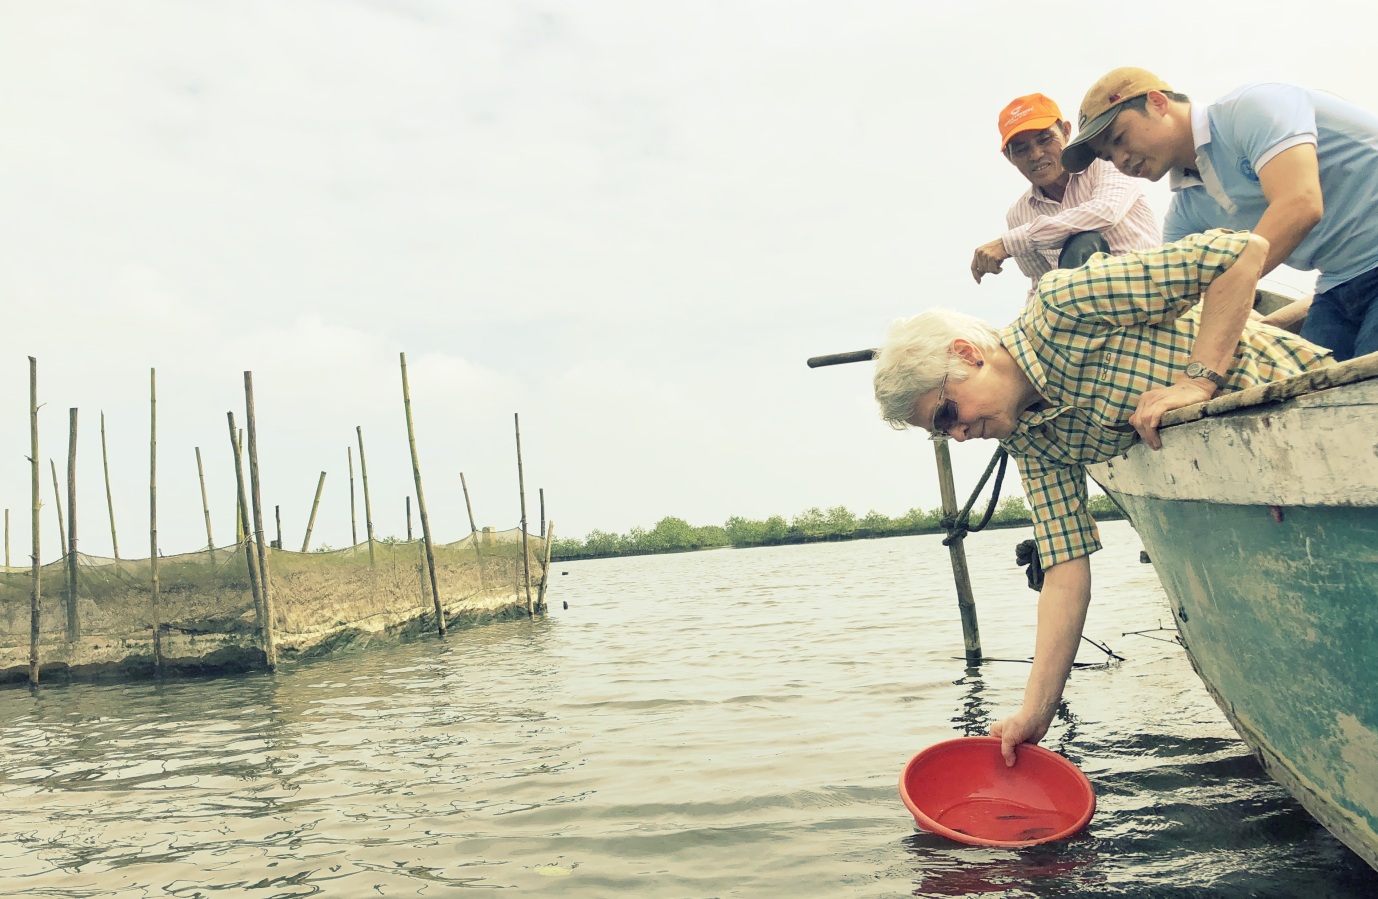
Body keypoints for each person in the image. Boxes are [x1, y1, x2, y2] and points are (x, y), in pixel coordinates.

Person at [874, 230, 1331, 766]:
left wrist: (1199, 381)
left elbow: (1241, 253)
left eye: (946, 414)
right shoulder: (1030, 439)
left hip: (1313, 403)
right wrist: (1034, 714)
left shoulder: (1062, 306)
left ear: (967, 354)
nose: (956, 436)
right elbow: (1065, 568)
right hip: (1262, 489)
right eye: (940, 432)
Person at [1061, 67, 1378, 360]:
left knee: (1364, 388)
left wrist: (1209, 352)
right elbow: (1174, 294)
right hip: (1338, 285)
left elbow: (1301, 203)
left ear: (1157, 103)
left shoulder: (1253, 108)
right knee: (1310, 388)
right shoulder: (1187, 212)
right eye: (1108, 156)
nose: (1121, 160)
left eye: (1119, 139)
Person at [971, 92, 1160, 290]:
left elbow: (1105, 212)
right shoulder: (1018, 216)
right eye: (1021, 149)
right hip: (1085, 311)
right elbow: (1041, 284)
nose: (1036, 154)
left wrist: (1010, 243)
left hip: (1147, 292)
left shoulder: (1105, 164)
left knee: (1085, 243)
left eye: (1045, 139)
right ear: (1010, 158)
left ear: (1067, 132)